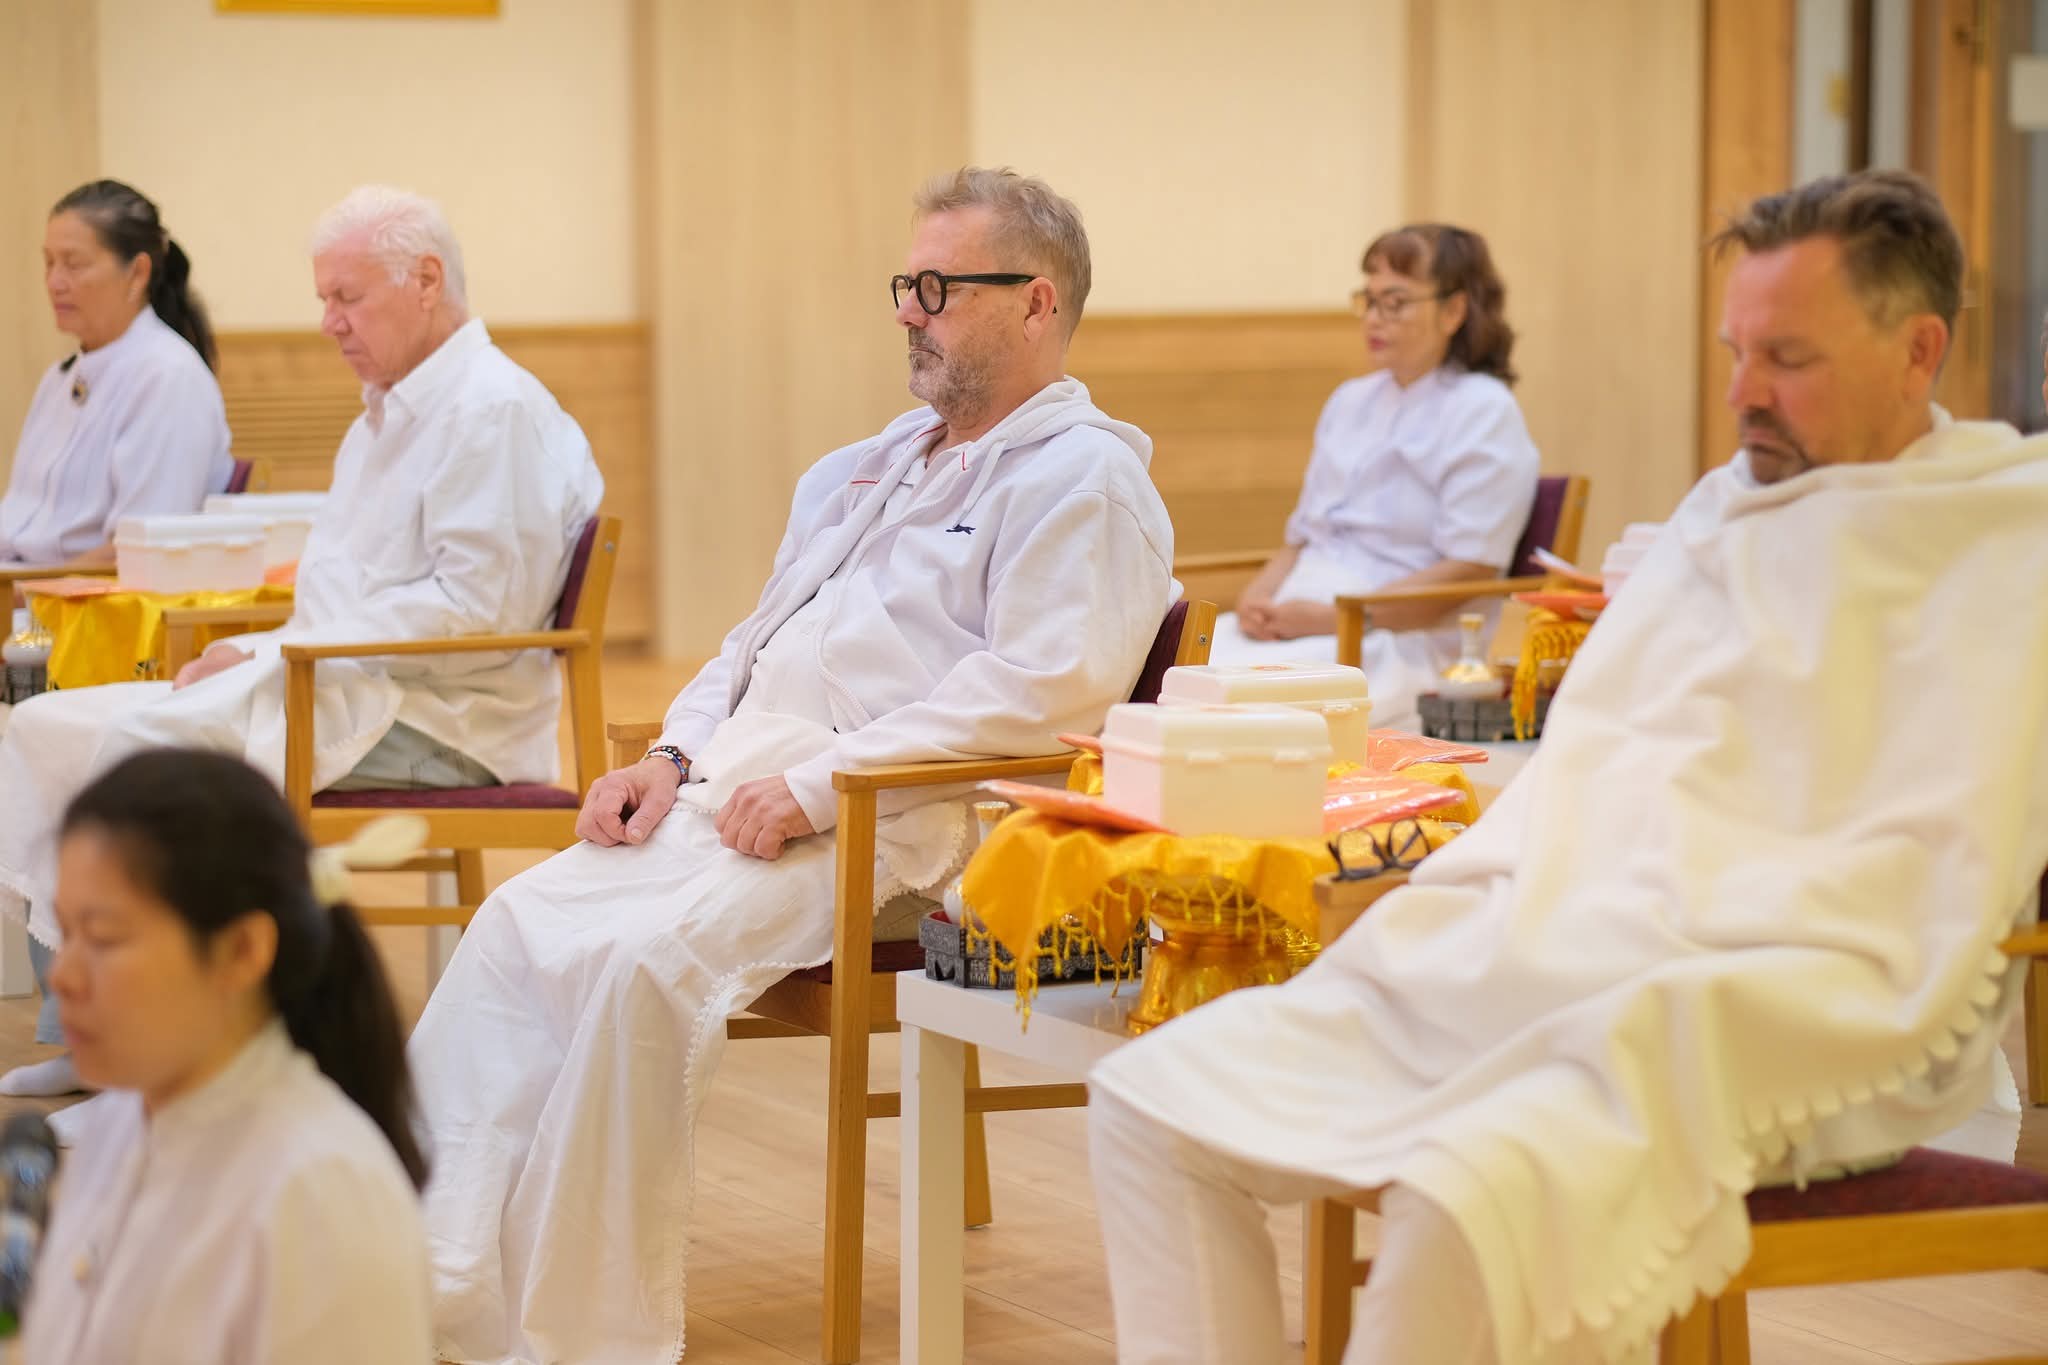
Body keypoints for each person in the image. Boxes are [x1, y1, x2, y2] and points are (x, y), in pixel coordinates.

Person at [1087, 169, 2048, 1365]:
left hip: (1795, 989)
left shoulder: (2010, 536)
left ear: (1919, 350)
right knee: (1149, 1101)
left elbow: (1924, 829)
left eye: (1786, 359)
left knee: (1465, 1192)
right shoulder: (1719, 511)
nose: (1743, 393)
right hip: (1574, 935)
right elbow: (1600, 757)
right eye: (1732, 351)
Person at [409, 166, 1174, 1364]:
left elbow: (1039, 698)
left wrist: (821, 786)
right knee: (514, 928)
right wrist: (668, 754)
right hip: (737, 792)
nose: (906, 310)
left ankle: (577, 1332)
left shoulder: (1087, 481)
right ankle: (431, 1281)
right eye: (902, 284)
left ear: (1034, 303)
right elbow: (750, 641)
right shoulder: (872, 462)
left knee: (639, 969)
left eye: (935, 286)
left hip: (906, 825)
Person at [0, 184, 603, 1105]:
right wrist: (264, 649)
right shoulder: (386, 413)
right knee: (50, 725)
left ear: (426, 280)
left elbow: (476, 613)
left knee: (142, 764)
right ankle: (105, 1035)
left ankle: (183, 1062)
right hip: (344, 681)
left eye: (346, 297)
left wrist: (290, 655)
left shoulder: (492, 410)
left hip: (440, 715)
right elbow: (342, 596)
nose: (327, 322)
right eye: (325, 298)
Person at [19, 749, 430, 1363]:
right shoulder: (124, 1115)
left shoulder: (319, 1197)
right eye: (65, 933)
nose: (66, 977)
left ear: (242, 950)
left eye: (103, 938)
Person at [1210, 224, 1539, 730]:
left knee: (1233, 700)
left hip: (1396, 637)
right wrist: (1257, 598)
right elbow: (1301, 541)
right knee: (1176, 669)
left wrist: (1336, 617)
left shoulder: (1484, 410)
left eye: (1397, 302)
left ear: (1453, 311)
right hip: (1304, 618)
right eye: (1370, 299)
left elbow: (1470, 570)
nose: (1375, 319)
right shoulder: (1351, 400)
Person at [2, 180, 233, 568]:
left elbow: (138, 551)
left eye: (73, 264)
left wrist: (21, 596)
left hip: (76, 612)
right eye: (49, 263)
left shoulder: (168, 379)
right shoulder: (57, 379)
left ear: (137, 273)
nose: (54, 282)